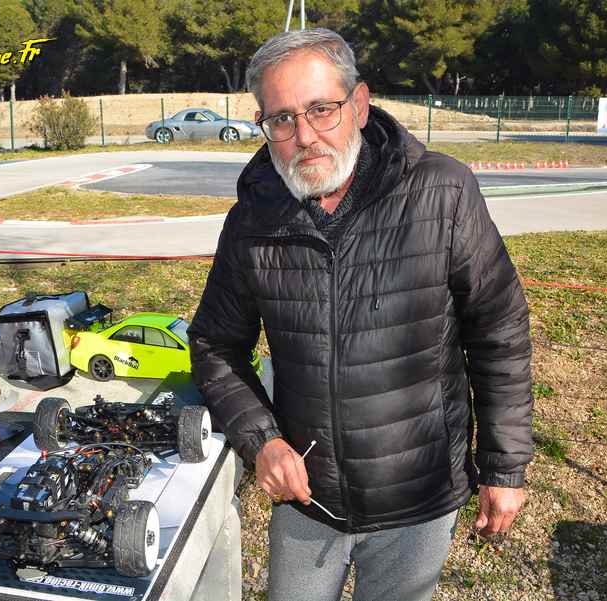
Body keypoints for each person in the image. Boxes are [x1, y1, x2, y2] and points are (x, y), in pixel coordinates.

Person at [188, 28, 533, 601]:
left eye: (322, 110)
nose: (304, 136)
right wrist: (262, 441)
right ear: (263, 124)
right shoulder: (252, 222)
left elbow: (499, 332)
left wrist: (503, 467)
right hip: (310, 499)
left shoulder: (440, 193)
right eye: (281, 119)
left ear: (361, 103)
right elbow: (215, 345)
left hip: (418, 493)